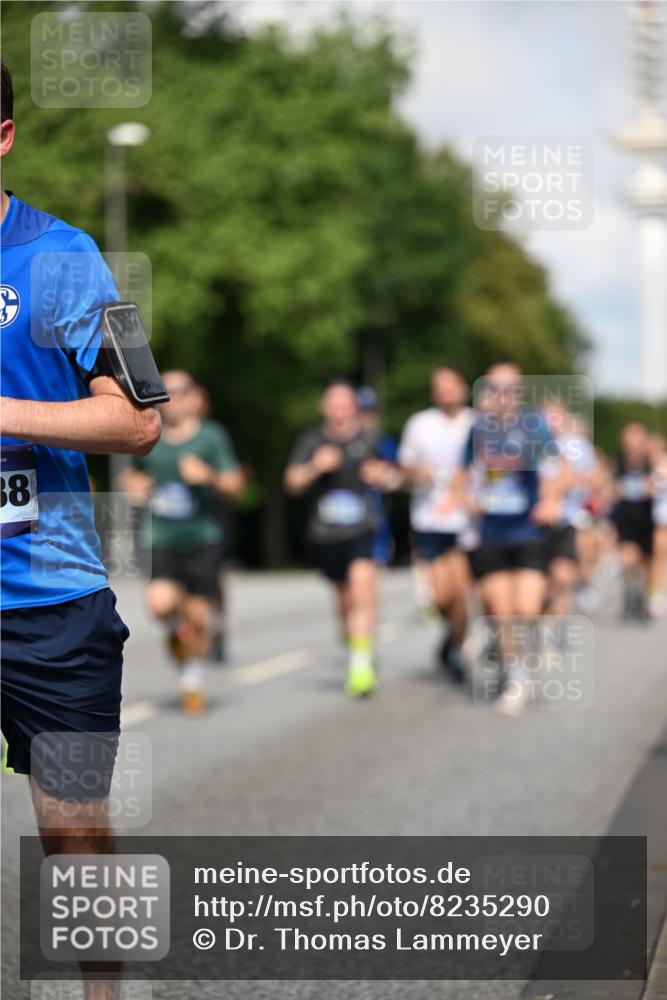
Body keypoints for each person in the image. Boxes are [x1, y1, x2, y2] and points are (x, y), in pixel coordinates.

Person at [0, 58, 160, 998]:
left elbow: (137, 421)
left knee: (73, 836)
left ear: (5, 137)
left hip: (48, 603)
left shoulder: (63, 257)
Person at [123, 371, 245, 714]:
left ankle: (192, 680)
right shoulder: (148, 432)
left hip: (202, 536)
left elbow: (235, 485)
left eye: (179, 391)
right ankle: (179, 633)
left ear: (194, 397)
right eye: (165, 391)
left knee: (198, 615)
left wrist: (209, 476)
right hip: (160, 535)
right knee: (160, 605)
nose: (171, 397)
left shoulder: (211, 437)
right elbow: (133, 473)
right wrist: (133, 486)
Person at [455, 361, 562, 716]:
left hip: (528, 529)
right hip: (491, 532)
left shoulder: (534, 425)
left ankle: (537, 637)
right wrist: (463, 498)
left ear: (519, 392)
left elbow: (558, 467)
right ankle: (517, 677)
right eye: (495, 388)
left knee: (526, 609)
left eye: (509, 389)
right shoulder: (478, 429)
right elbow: (461, 470)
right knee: (501, 613)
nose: (501, 396)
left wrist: (550, 498)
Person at [284, 380, 394, 697]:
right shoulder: (312, 440)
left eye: (346, 402)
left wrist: (383, 476)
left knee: (362, 591)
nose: (340, 408)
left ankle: (360, 665)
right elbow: (291, 483)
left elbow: (394, 474)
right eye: (333, 402)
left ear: (354, 407)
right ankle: (355, 647)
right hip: (326, 534)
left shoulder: (370, 437)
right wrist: (315, 467)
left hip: (364, 529)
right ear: (324, 407)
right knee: (344, 600)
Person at [398, 366, 474, 682]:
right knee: (443, 596)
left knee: (463, 592)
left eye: (451, 386)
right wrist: (417, 474)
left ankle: (455, 648)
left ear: (463, 388)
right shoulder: (420, 424)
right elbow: (404, 470)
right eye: (439, 387)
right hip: (431, 518)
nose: (446, 392)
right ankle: (451, 639)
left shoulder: (479, 422)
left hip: (469, 520)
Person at [612, 422, 654, 621]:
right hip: (626, 519)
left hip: (648, 520)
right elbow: (610, 488)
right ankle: (629, 598)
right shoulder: (618, 463)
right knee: (628, 560)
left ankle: (641, 599)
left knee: (645, 564)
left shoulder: (651, 463)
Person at [356, 386, 402, 569]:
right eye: (361, 412)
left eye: (369, 412)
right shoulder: (342, 443)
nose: (365, 417)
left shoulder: (384, 442)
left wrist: (386, 475)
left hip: (375, 516)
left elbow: (397, 477)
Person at [648, 432, 667, 618]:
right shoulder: (646, 466)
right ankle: (657, 594)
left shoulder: (663, 464)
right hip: (658, 519)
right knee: (659, 558)